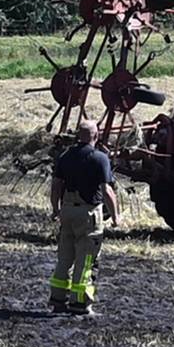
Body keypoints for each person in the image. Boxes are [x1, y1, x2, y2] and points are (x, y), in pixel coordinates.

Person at [46, 122, 120, 316]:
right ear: (96, 136)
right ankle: (80, 303)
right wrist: (115, 217)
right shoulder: (100, 158)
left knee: (64, 258)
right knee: (86, 260)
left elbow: (55, 186)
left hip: (68, 212)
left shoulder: (65, 157)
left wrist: (56, 209)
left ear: (78, 135)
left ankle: (57, 300)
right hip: (88, 215)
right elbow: (107, 191)